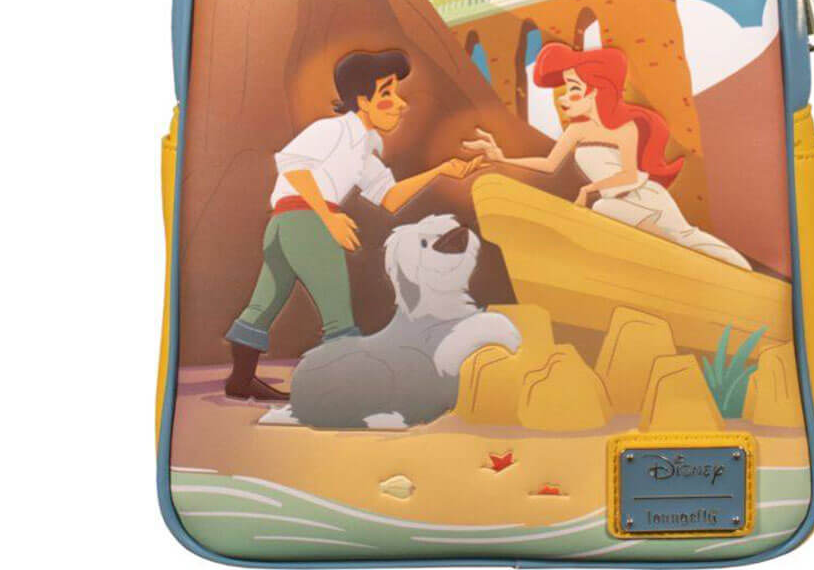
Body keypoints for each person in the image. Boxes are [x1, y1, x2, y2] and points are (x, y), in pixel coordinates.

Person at [225, 49, 485, 400]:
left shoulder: (362, 149)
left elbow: (389, 197)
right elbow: (292, 165)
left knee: (264, 303)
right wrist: (327, 217)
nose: (401, 104)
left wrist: (440, 171)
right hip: (306, 221)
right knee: (337, 311)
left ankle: (240, 382)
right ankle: (345, 391)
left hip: (285, 224)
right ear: (362, 100)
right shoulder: (332, 130)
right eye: (387, 93)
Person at [463, 42, 750, 271]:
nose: (564, 98)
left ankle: (742, 271)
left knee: (686, 237)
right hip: (614, 203)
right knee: (625, 226)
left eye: (574, 90)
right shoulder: (577, 130)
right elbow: (549, 165)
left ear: (596, 92)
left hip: (643, 196)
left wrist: (589, 189)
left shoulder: (624, 129)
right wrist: (501, 158)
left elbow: (628, 174)